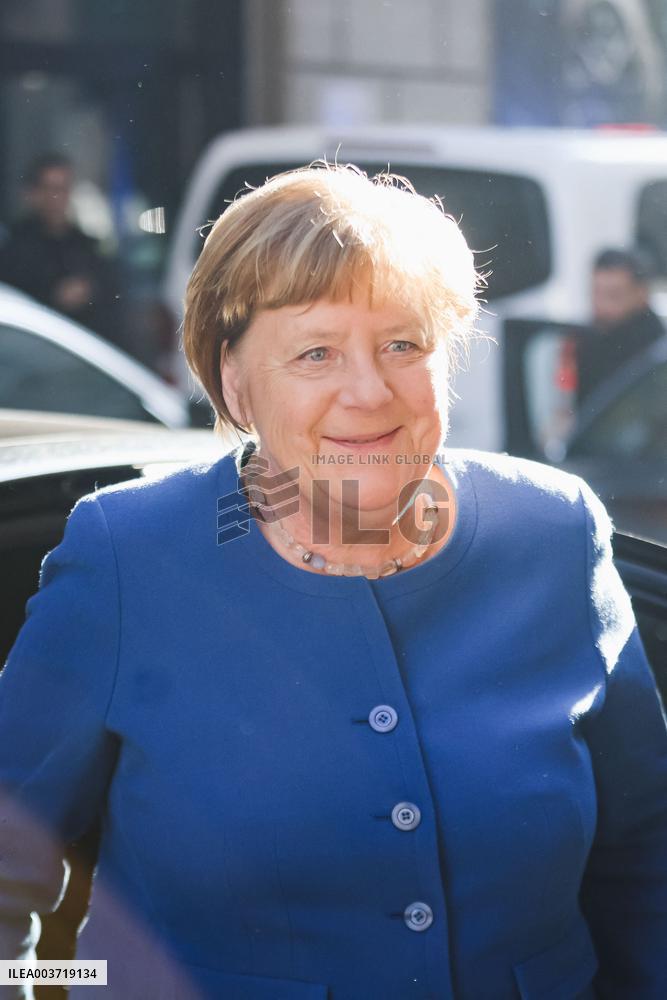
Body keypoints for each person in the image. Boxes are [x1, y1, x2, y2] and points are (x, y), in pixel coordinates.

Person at [0, 164, 665, 1000]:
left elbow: (646, 857)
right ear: (233, 381)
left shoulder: (554, 534)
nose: (368, 390)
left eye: (403, 345)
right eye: (315, 352)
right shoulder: (129, 555)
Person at [0, 152, 121, 346]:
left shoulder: (87, 246)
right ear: (34, 194)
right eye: (50, 189)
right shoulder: (14, 250)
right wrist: (54, 298)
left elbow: (110, 296)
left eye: (63, 189)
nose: (56, 198)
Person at [576, 246, 665, 405]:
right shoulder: (590, 337)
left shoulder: (654, 350)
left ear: (641, 294)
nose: (601, 306)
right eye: (596, 293)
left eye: (614, 296)